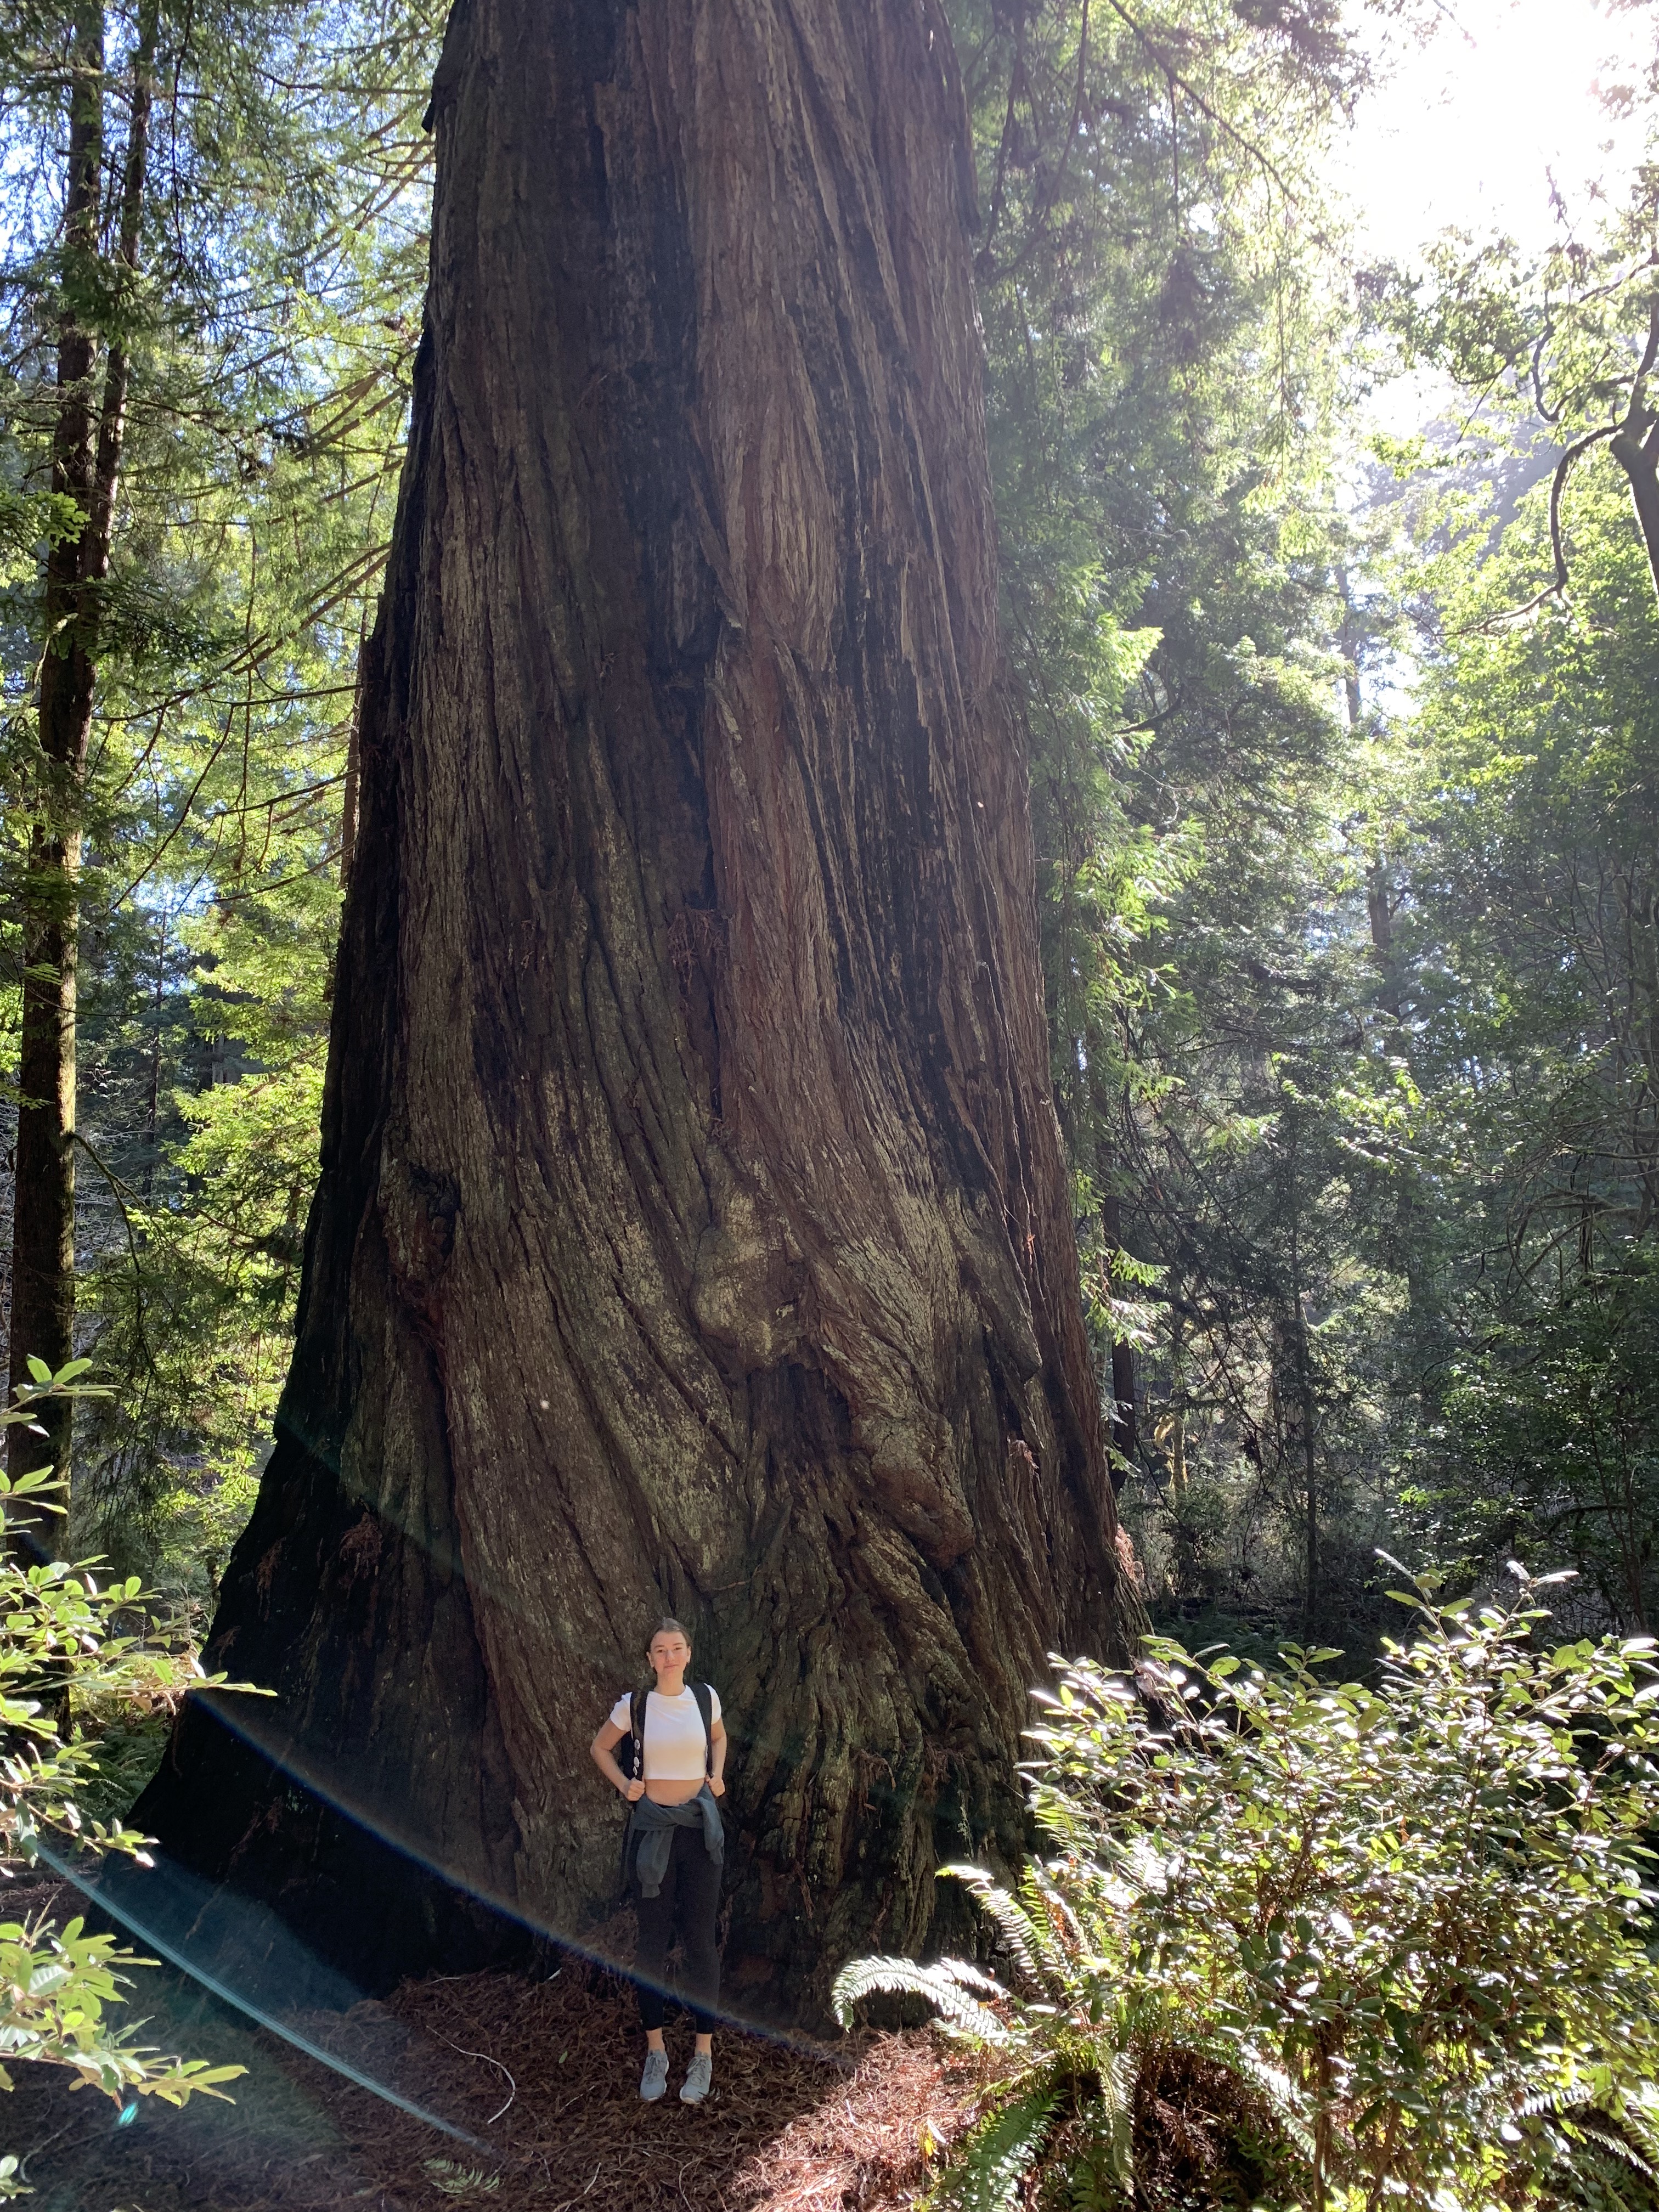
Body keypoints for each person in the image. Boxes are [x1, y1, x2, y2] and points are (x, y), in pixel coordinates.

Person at [590, 1618, 727, 2104]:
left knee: (700, 1941)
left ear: (688, 1654)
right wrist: (624, 1785)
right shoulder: (636, 1706)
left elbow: (718, 1738)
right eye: (660, 1650)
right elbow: (600, 1747)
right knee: (651, 1942)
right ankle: (656, 2051)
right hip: (652, 1835)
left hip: (698, 1834)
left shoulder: (706, 1699)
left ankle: (703, 2054)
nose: (669, 1657)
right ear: (650, 1659)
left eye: (677, 1648)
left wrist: (717, 1774)